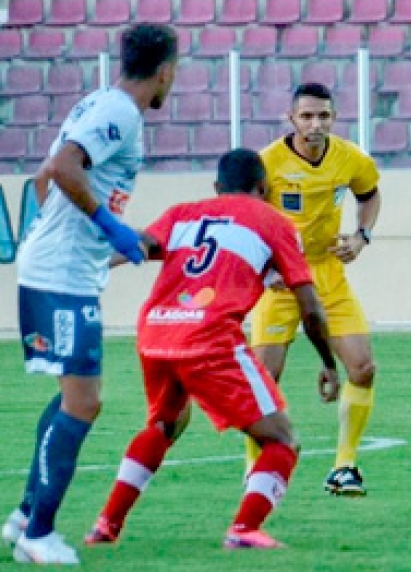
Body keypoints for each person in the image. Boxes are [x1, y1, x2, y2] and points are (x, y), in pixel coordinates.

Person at [83, 149, 339, 550]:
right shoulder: (274, 222)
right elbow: (310, 308)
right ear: (264, 188)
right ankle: (244, 530)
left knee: (165, 426)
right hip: (210, 337)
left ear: (217, 187)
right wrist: (328, 363)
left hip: (156, 331)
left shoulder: (183, 214)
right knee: (282, 439)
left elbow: (139, 245)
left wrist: (93, 265)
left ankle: (106, 525)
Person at [1, 24, 177, 565]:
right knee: (84, 401)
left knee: (71, 396)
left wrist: (97, 239)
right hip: (61, 275)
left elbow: (43, 177)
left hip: (62, 266)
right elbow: (60, 168)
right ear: (166, 70)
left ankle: (25, 517)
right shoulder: (119, 111)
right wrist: (105, 227)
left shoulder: (99, 103)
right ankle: (38, 535)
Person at [249, 82, 382, 496]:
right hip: (280, 280)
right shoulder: (267, 163)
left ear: (334, 118)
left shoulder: (351, 158)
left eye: (323, 116)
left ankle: (345, 467)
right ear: (291, 119)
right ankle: (255, 471)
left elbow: (370, 195)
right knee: (264, 378)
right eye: (306, 116)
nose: (315, 124)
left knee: (362, 367)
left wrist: (361, 236)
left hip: (327, 274)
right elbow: (246, 215)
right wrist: (263, 265)